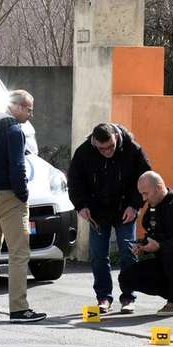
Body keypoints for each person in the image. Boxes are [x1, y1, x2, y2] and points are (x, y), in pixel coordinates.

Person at [0, 89, 46, 323]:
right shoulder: (14, 130)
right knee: (19, 253)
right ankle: (18, 309)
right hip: (8, 197)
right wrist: (23, 195)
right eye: (28, 109)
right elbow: (17, 167)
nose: (30, 114)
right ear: (16, 106)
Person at [68, 123, 151, 314]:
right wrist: (81, 206)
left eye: (111, 147)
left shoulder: (133, 150)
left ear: (116, 136)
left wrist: (135, 205)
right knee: (98, 255)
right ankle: (103, 297)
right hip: (97, 212)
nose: (107, 152)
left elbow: (145, 178)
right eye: (102, 148)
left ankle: (129, 297)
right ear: (94, 142)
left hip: (125, 209)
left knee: (128, 253)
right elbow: (74, 182)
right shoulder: (84, 152)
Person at [118, 171, 173, 316]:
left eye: (146, 194)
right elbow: (152, 237)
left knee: (171, 250)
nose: (144, 199)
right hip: (166, 262)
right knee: (127, 278)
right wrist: (143, 247)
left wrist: (160, 246)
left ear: (159, 187)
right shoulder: (152, 209)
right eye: (141, 194)